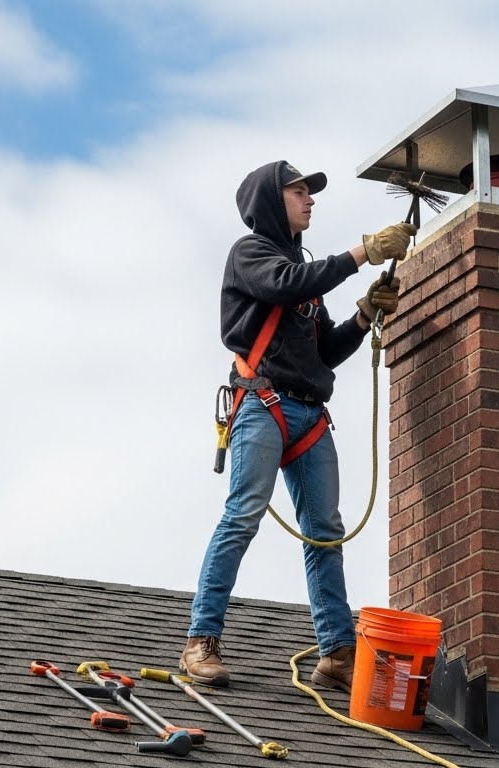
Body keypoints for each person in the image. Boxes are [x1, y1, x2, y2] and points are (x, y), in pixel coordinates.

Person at [182, 160, 415, 691]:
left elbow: (324, 352)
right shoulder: (251, 256)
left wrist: (361, 318)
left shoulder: (304, 276)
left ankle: (335, 652)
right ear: (271, 201)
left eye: (310, 192)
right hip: (262, 404)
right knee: (242, 517)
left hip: (308, 414)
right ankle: (201, 639)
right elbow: (287, 284)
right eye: (298, 192)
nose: (309, 200)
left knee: (325, 533)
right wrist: (364, 252)